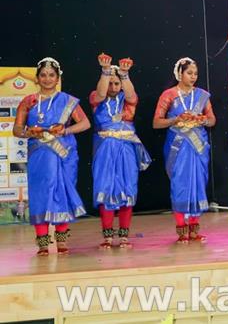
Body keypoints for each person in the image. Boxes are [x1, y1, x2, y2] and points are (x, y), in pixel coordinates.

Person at [13, 58, 90, 255]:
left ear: (58, 78)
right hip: (39, 154)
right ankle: (43, 243)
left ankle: (62, 240)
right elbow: (17, 130)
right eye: (43, 75)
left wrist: (64, 131)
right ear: (37, 78)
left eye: (51, 75)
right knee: (41, 193)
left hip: (64, 154)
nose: (47, 79)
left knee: (62, 192)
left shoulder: (68, 101)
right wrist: (29, 132)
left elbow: (85, 124)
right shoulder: (28, 101)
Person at [90, 53, 151, 248]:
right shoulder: (96, 98)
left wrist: (124, 74)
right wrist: (105, 71)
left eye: (117, 84)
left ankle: (124, 235)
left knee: (127, 188)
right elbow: (100, 94)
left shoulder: (127, 99)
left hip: (126, 149)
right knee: (105, 187)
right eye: (110, 83)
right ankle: (107, 236)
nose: (113, 87)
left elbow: (131, 95)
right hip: (105, 149)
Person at [153, 57, 216, 243]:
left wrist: (202, 120)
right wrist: (176, 119)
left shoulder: (202, 95)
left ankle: (194, 230)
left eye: (195, 73)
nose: (193, 76)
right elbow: (156, 123)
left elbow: (212, 120)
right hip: (178, 146)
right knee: (180, 184)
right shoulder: (168, 95)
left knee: (198, 183)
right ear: (179, 73)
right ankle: (181, 229)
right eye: (189, 73)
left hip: (198, 146)